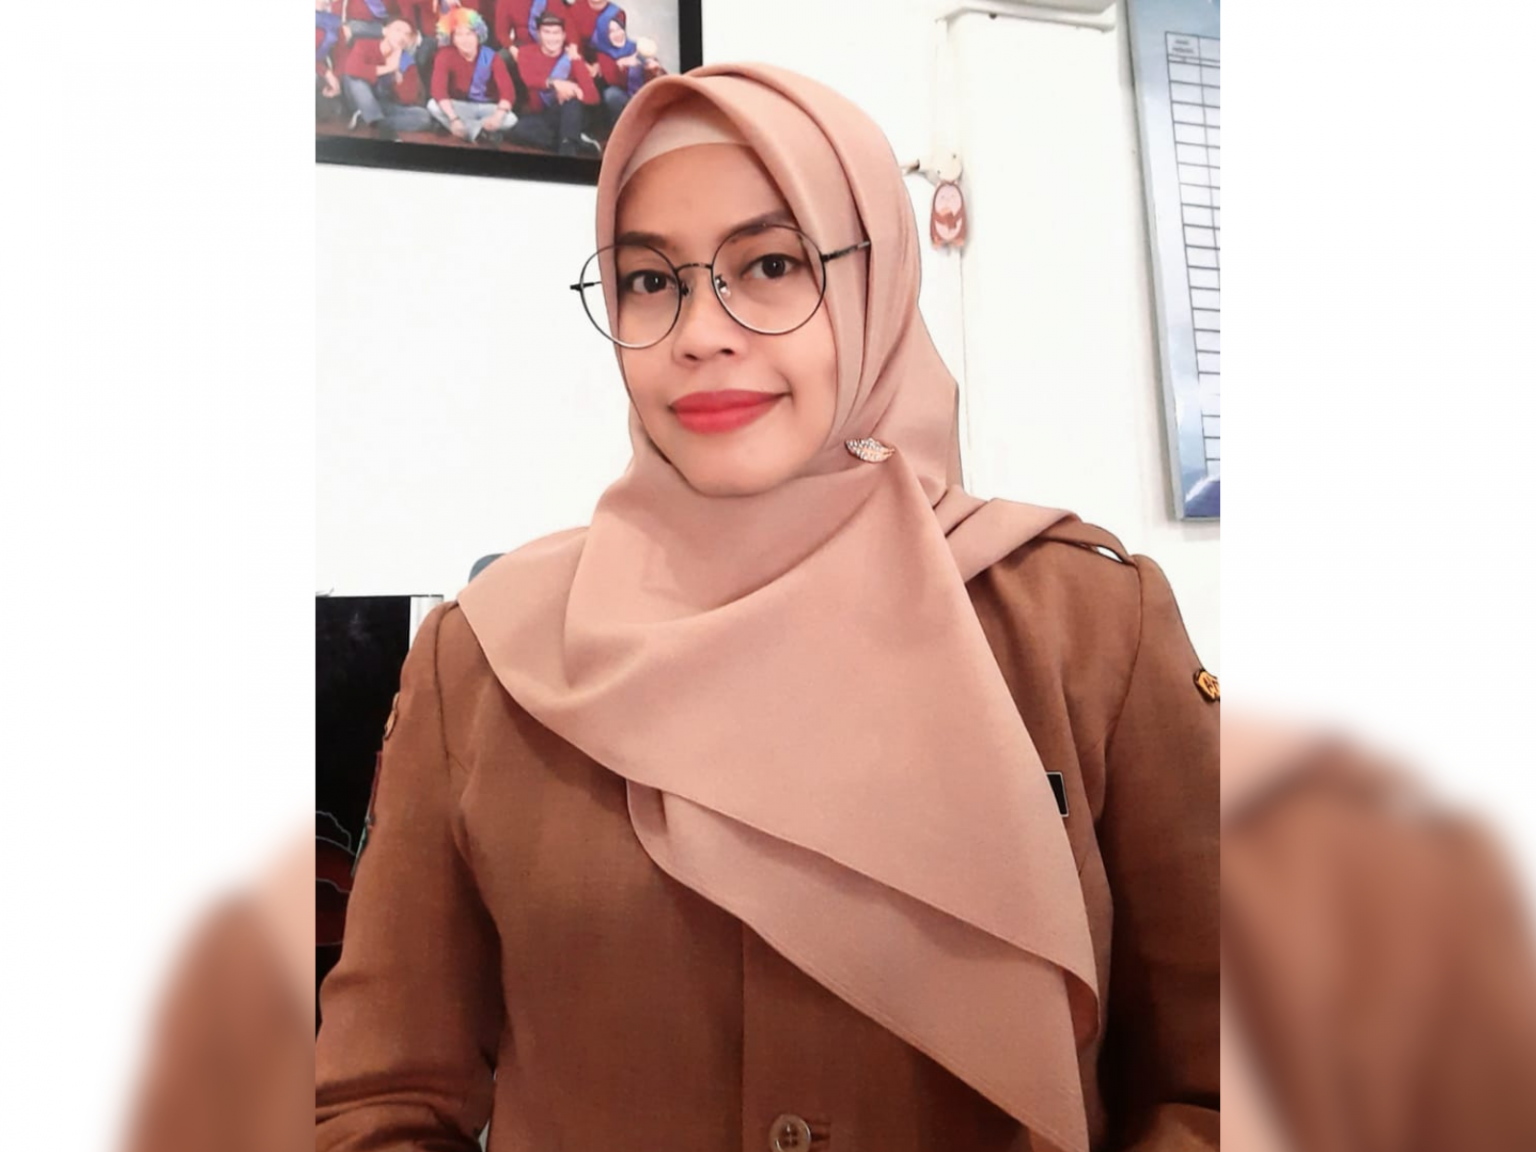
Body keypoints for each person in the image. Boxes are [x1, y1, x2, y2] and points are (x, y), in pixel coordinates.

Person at [315, 63, 1219, 1152]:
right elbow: (378, 1102)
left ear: (875, 283)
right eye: (650, 280)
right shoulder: (490, 658)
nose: (701, 330)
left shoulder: (1084, 628)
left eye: (772, 264)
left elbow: (1218, 1083)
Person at [507, 12, 599, 156]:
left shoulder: (572, 57)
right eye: (547, 32)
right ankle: (576, 140)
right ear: (538, 34)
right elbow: (529, 79)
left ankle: (568, 148)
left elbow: (593, 98)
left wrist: (575, 86)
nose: (552, 38)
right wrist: (556, 83)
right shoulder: (526, 53)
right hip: (544, 115)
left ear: (563, 36)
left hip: (570, 114)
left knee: (571, 100)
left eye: (556, 33)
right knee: (518, 131)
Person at [428, 7, 518, 145]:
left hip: (486, 107)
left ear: (478, 35)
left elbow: (508, 92)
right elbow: (438, 91)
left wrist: (497, 117)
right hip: (460, 107)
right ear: (452, 39)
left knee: (511, 119)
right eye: (459, 35)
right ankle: (480, 133)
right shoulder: (444, 56)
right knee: (433, 105)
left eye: (469, 34)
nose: (465, 40)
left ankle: (464, 131)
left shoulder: (492, 57)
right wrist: (453, 119)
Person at [340, 18, 432, 140]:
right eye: (398, 30)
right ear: (386, 31)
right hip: (359, 99)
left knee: (424, 117)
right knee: (355, 79)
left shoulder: (406, 61)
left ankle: (375, 123)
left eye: (407, 34)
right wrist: (388, 68)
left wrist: (397, 79)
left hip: (382, 104)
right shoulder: (364, 45)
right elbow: (351, 69)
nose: (402, 36)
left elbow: (408, 99)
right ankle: (376, 123)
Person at [593, 22, 662, 135]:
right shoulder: (604, 55)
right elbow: (612, 79)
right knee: (611, 94)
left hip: (645, 96)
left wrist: (653, 68)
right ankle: (624, 133)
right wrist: (623, 64)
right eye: (611, 31)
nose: (617, 34)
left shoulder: (637, 47)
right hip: (626, 99)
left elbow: (657, 76)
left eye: (619, 29)